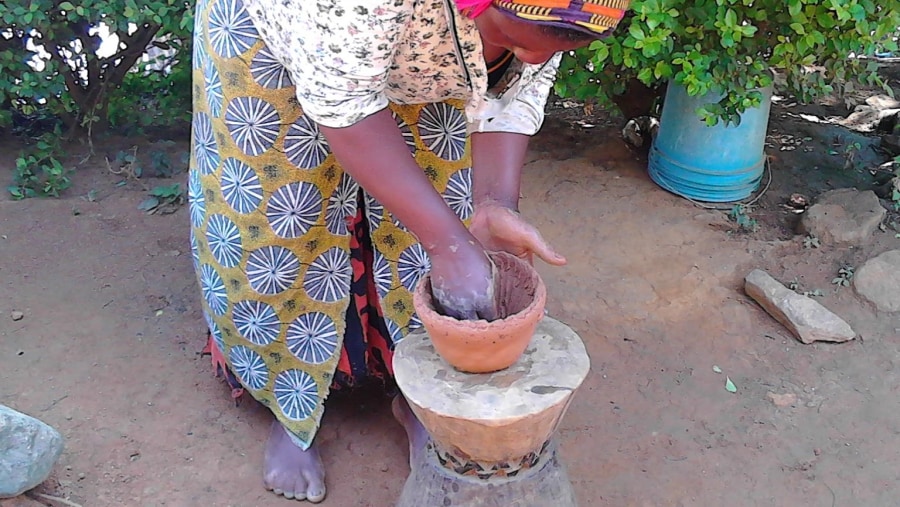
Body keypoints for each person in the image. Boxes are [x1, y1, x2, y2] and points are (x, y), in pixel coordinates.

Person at [188, 0, 628, 502]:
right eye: (519, 38)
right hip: (288, 24)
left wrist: (492, 202)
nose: (532, 59)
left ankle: (417, 397)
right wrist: (448, 244)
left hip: (421, 30)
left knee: (438, 196)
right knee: (282, 214)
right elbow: (343, 104)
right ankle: (291, 407)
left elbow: (514, 84)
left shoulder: (552, 13)